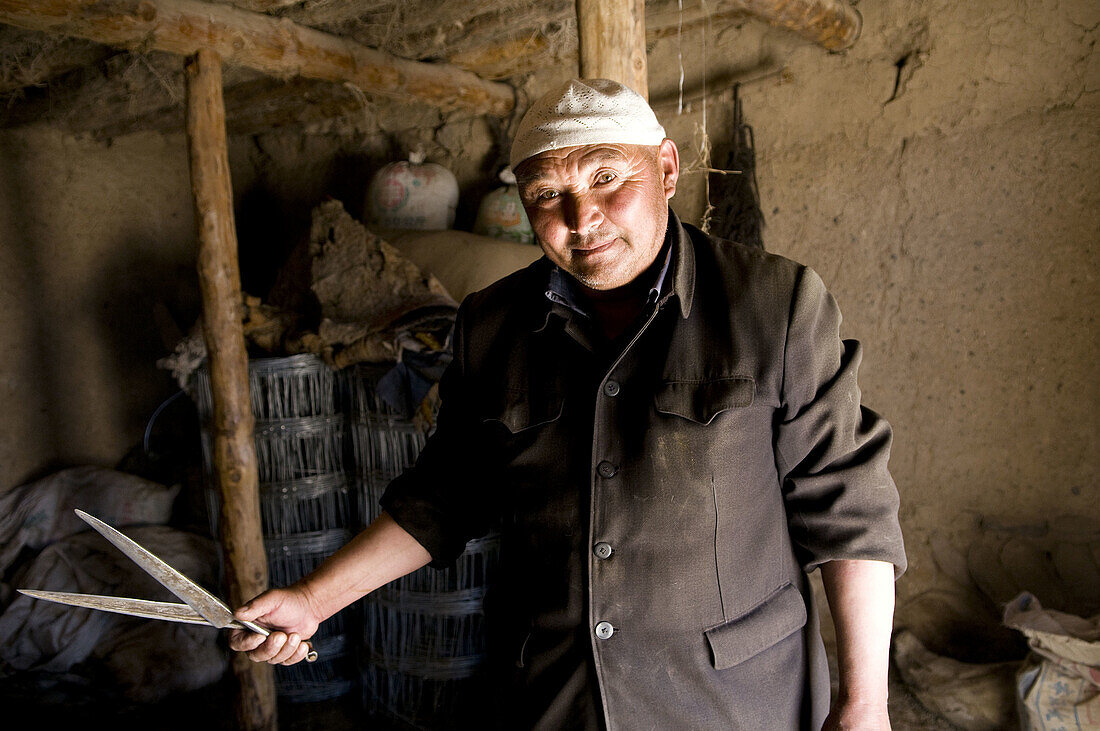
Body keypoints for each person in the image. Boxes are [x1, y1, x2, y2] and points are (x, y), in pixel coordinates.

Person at [230, 78, 906, 730]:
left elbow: (849, 507)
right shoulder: (493, 327)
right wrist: (313, 600)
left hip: (734, 699)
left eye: (608, 178)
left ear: (666, 168)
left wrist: (863, 705)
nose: (582, 220)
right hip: (557, 698)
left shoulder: (773, 306)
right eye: (548, 194)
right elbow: (444, 497)